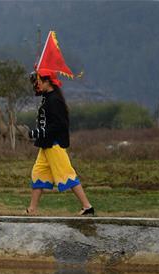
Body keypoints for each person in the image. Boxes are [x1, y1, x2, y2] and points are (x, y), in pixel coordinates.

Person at [26, 32, 94, 216]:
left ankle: (87, 207)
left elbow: (58, 125)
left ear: (48, 81)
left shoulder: (54, 100)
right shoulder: (48, 98)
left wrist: (38, 133)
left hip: (54, 144)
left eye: (39, 80)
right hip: (46, 145)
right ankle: (32, 209)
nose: (36, 84)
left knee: (66, 174)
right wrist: (38, 134)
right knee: (38, 174)